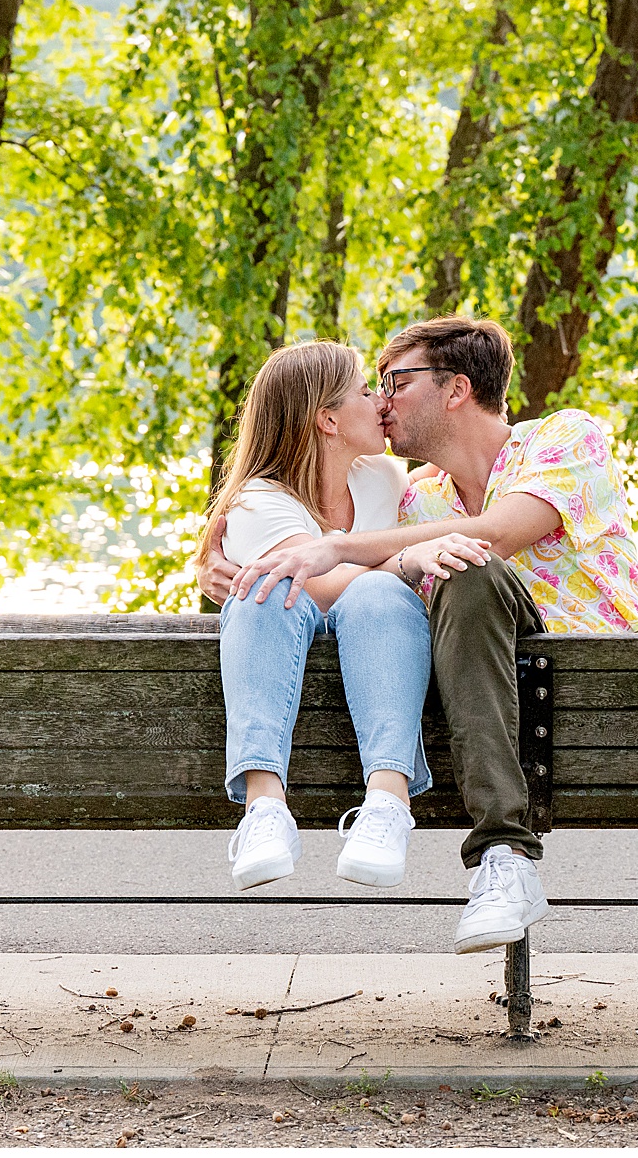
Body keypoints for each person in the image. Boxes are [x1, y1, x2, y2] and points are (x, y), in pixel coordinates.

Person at [201, 318, 638, 955]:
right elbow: (329, 533)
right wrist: (215, 558)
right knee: (467, 570)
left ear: (455, 390)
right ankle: (503, 857)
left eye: (395, 381)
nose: (383, 399)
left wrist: (333, 547)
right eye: (374, 386)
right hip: (506, 690)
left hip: (627, 670)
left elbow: (496, 532)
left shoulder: (567, 436)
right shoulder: (414, 502)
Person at [193, 340, 490, 893]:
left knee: (378, 592)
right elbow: (321, 585)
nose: (381, 400)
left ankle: (386, 803)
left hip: (378, 641)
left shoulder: (377, 477)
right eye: (364, 390)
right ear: (328, 419)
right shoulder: (259, 501)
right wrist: (403, 560)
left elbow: (445, 483)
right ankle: (264, 810)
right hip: (288, 635)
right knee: (263, 590)